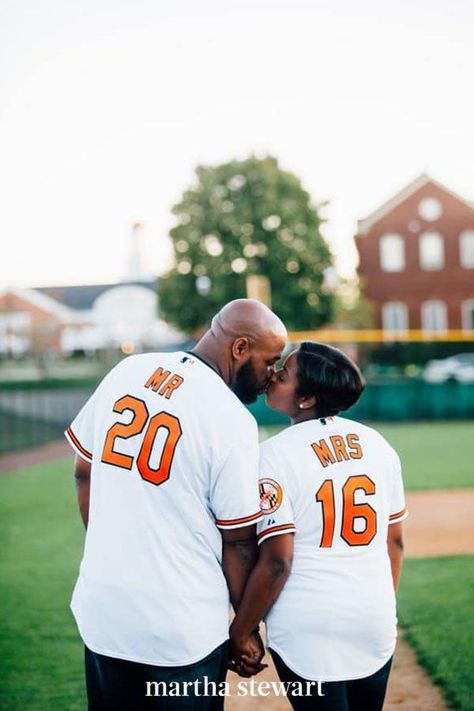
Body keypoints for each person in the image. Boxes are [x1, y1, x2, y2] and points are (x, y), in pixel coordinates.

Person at [64, 299, 287, 710]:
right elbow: (237, 541)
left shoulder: (126, 371)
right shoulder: (231, 417)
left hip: (105, 613)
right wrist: (243, 630)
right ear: (239, 349)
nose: (273, 374)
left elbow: (84, 472)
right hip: (181, 627)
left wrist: (111, 550)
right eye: (270, 359)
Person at [230, 341, 407, 711]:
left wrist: (242, 629)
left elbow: (278, 560)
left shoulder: (274, 455)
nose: (274, 374)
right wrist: (380, 603)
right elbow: (395, 543)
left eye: (285, 372)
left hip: (308, 623)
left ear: (307, 398)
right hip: (372, 615)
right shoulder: (378, 445)